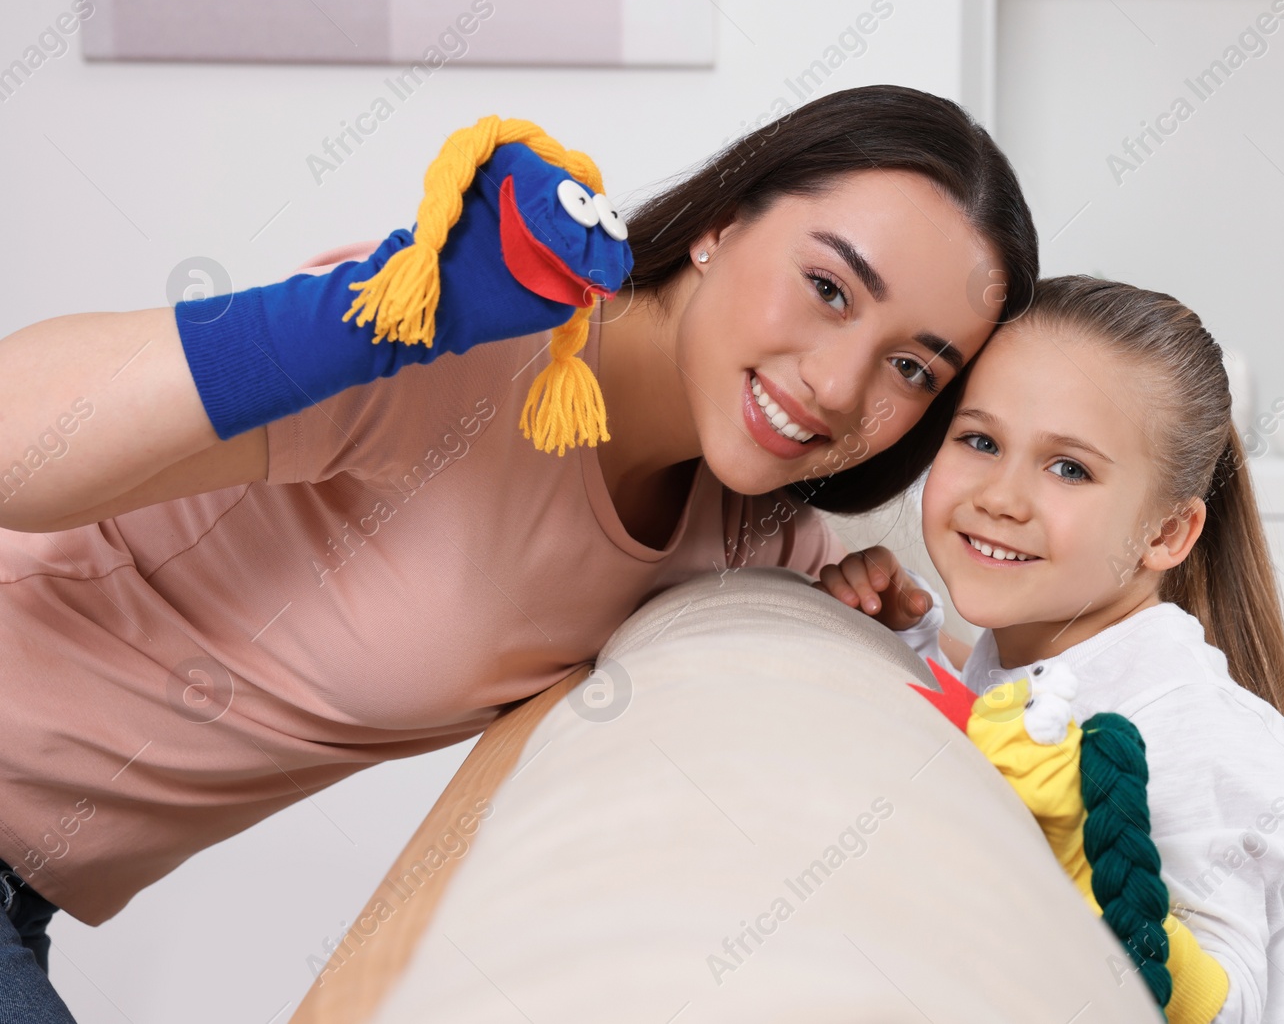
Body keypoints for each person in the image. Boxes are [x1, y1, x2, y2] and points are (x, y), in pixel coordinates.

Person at [0, 84, 1038, 1020]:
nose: (843, 383)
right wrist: (356, 319)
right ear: (722, 225)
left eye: (910, 364)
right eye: (828, 287)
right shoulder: (470, 349)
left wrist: (859, 604)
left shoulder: (740, 534)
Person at [813, 276, 1284, 1023]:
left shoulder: (1202, 729)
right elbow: (1004, 734)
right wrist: (903, 637)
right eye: (980, 440)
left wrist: (1093, 870)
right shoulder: (1036, 648)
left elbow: (1226, 1005)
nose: (1001, 497)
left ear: (1165, 534)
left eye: (1069, 467)